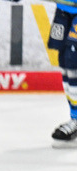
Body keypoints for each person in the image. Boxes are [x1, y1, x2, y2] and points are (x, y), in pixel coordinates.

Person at [48, 1, 77, 143]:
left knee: (73, 61)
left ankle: (76, 119)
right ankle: (74, 118)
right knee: (64, 62)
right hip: (63, 11)